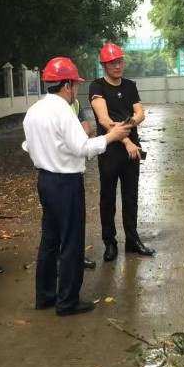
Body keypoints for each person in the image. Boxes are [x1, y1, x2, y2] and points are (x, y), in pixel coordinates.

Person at [22, 58, 131, 316]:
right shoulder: (64, 112)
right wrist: (111, 136)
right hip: (65, 183)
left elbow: (28, 145)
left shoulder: (33, 111)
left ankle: (45, 295)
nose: (76, 90)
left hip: (45, 180)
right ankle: (67, 301)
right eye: (75, 85)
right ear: (67, 85)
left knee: (50, 240)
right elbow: (82, 148)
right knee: (71, 241)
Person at [89, 43, 154, 262]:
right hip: (110, 150)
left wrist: (127, 124)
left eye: (120, 62)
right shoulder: (97, 86)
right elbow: (104, 120)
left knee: (131, 196)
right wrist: (126, 140)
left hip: (132, 149)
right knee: (108, 197)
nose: (117, 66)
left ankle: (132, 240)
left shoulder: (129, 86)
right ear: (104, 65)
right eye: (112, 63)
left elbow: (140, 114)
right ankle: (110, 243)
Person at [71, 97, 97, 271]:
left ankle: (76, 256)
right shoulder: (52, 109)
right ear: (67, 86)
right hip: (61, 173)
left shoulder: (76, 103)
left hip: (75, 169)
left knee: (76, 219)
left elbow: (86, 130)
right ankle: (63, 259)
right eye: (74, 85)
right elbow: (82, 137)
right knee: (61, 221)